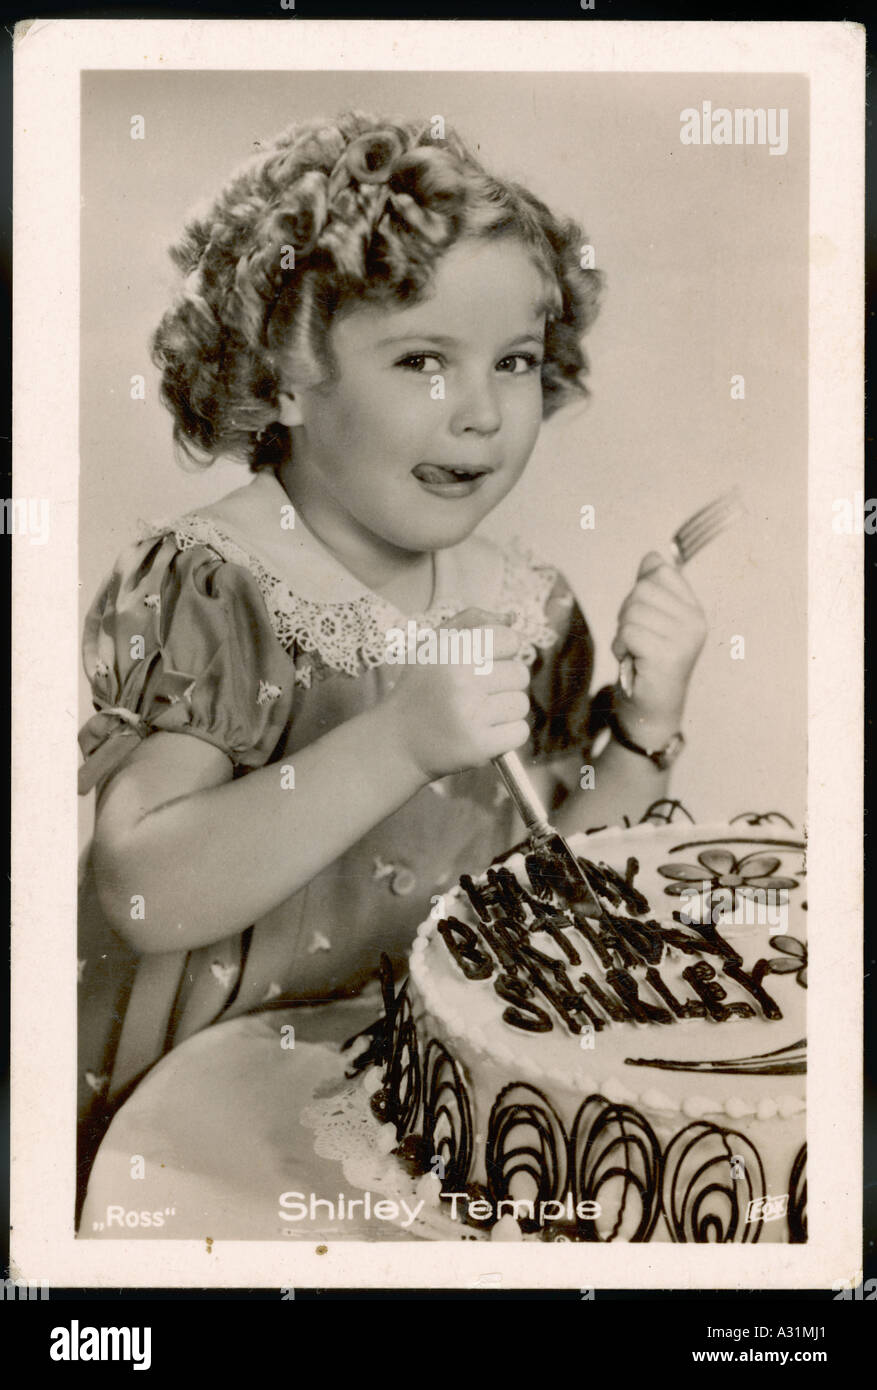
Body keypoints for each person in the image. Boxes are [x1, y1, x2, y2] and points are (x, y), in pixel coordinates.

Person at [76, 111, 706, 1207]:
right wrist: (403, 736)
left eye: (513, 361)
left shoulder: (528, 605)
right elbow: (143, 890)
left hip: (437, 1105)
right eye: (421, 359)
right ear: (282, 377)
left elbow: (552, 878)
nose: (480, 414)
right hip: (219, 1116)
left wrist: (643, 730)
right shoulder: (220, 584)